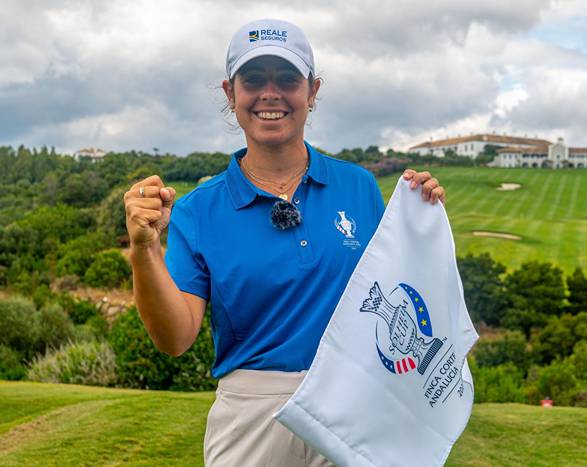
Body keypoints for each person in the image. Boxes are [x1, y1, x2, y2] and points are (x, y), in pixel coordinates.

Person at [124, 18, 446, 467]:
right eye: (253, 80)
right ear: (229, 93)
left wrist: (425, 217)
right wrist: (144, 251)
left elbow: (404, 290)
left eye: (288, 80)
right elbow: (175, 338)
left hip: (355, 401)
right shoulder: (199, 210)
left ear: (312, 91)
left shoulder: (358, 187)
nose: (270, 94)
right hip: (251, 415)